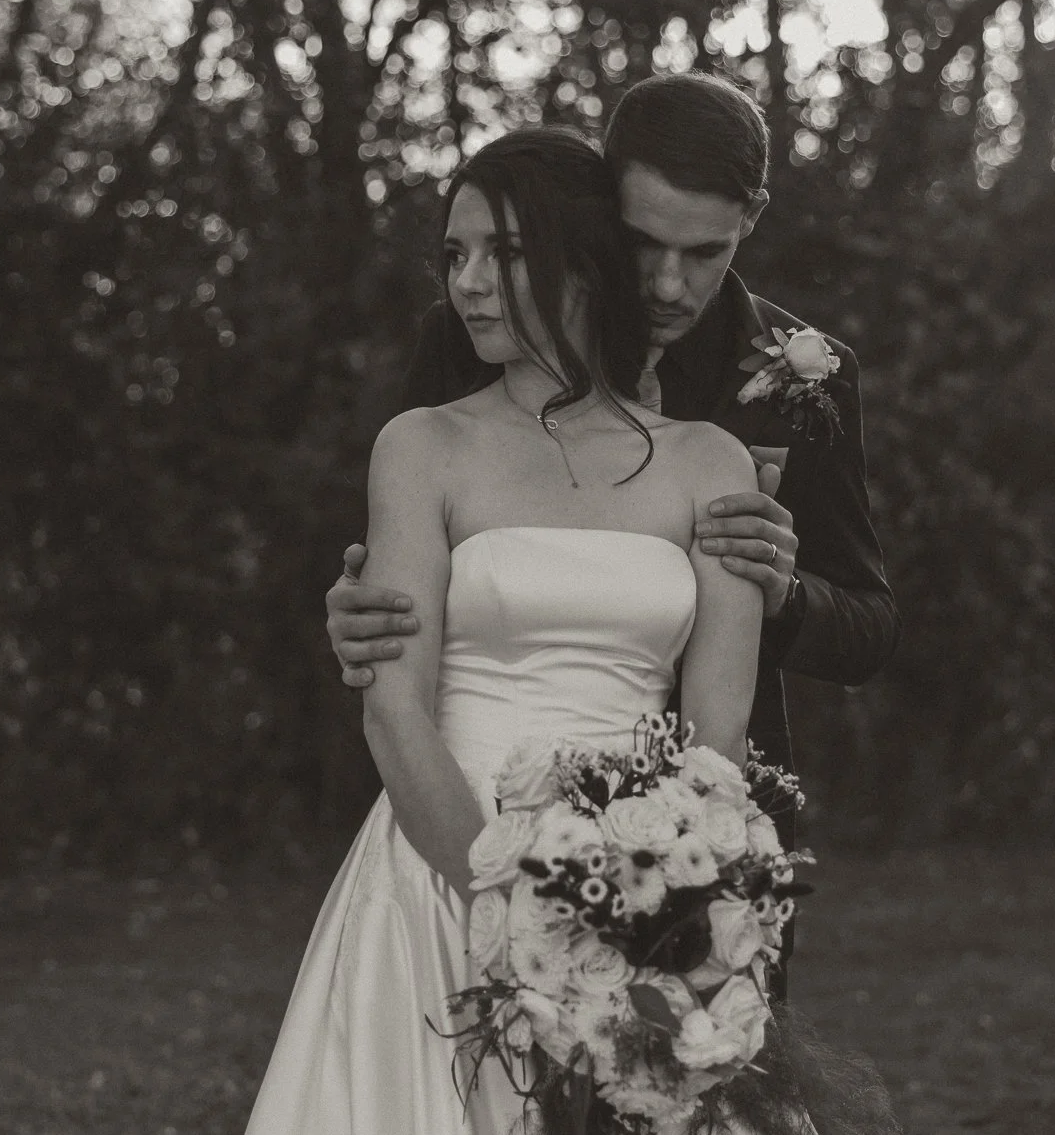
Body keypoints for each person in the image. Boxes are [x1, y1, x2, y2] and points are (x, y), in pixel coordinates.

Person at [116, 127, 929, 1135]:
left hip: (647, 874)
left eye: (499, 253)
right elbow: (397, 674)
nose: (668, 283)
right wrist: (505, 899)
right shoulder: (429, 423)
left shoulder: (746, 429)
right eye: (453, 256)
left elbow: (726, 728)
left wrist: (656, 902)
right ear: (611, 233)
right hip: (439, 872)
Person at [328, 73, 899, 841]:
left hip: (703, 835)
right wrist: (358, 610)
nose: (669, 285)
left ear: (751, 217)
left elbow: (869, 630)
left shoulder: (805, 374)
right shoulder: (468, 339)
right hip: (481, 812)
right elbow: (412, 550)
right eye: (642, 244)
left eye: (704, 252)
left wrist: (783, 593)